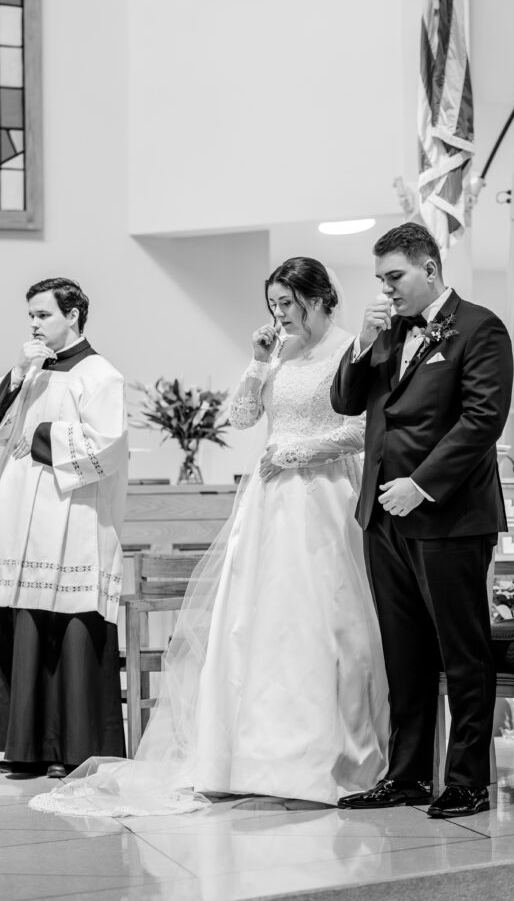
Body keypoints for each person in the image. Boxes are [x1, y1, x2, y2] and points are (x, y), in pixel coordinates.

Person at [30, 257, 388, 815]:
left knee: (323, 619)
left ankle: (322, 757)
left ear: (318, 299)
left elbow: (362, 428)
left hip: (324, 497)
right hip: (269, 502)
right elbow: (244, 416)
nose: (279, 315)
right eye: (272, 305)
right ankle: (244, 758)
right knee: (252, 623)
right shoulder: (280, 349)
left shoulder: (351, 349)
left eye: (287, 304)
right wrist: (257, 361)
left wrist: (296, 452)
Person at [331, 222, 513, 818]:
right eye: (380, 279)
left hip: (450, 517)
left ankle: (467, 780)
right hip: (381, 518)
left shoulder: (479, 328)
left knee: (462, 652)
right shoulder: (387, 331)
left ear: (429, 268)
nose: (387, 290)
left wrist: (422, 485)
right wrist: (361, 341)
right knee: (402, 652)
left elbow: (482, 420)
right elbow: (345, 401)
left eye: (395, 277)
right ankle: (406, 775)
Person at [0, 278, 128, 777]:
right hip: (23, 519)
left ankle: (73, 746)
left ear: (72, 315)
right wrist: (17, 372)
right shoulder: (34, 373)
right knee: (27, 620)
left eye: (43, 315)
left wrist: (40, 435)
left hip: (72, 517)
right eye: (30, 315)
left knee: (70, 623)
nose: (33, 324)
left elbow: (108, 445)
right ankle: (27, 747)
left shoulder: (100, 374)